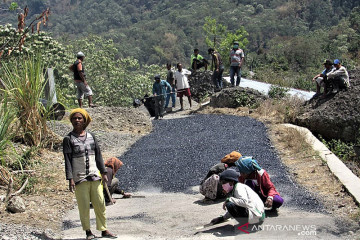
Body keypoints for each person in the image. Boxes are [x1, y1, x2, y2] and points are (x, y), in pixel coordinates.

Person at [63, 108, 116, 239]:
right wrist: (70, 179)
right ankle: (88, 232)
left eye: (79, 118)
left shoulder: (91, 136)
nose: (77, 120)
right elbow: (67, 161)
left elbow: (98, 155)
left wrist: (103, 171)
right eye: (74, 118)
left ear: (84, 120)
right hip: (80, 177)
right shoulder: (68, 139)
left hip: (94, 175)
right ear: (71, 121)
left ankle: (103, 230)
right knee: (84, 205)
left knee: (100, 203)